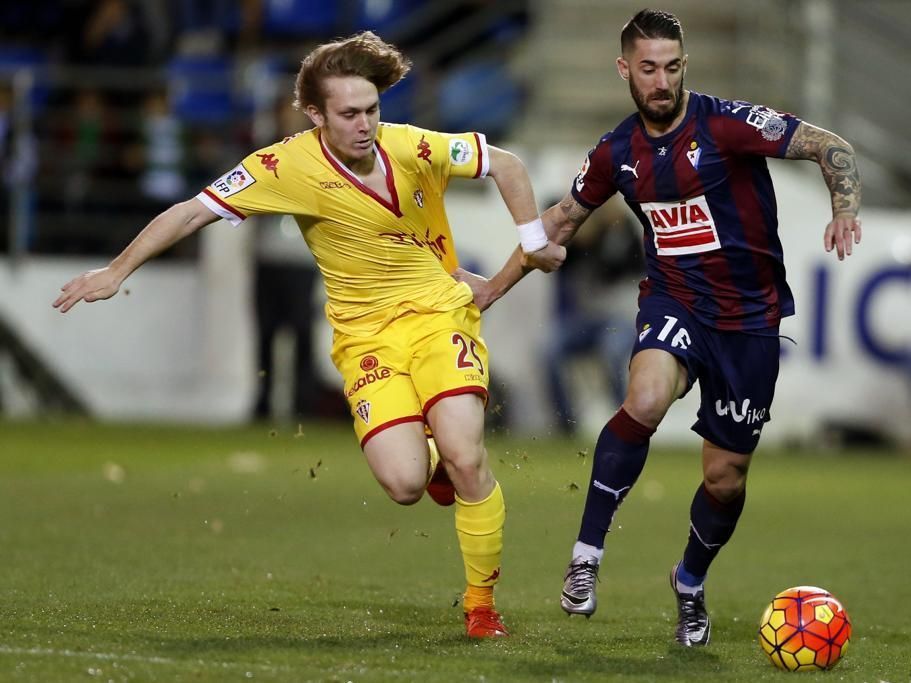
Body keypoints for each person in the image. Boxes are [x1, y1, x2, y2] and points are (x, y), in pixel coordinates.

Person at [53, 31, 565, 639]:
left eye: (372, 109)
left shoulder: (412, 145)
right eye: (349, 113)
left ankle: (481, 607)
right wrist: (116, 270)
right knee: (403, 484)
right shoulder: (284, 167)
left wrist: (531, 242)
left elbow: (506, 163)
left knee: (467, 451)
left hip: (438, 315)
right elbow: (192, 210)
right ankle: (431, 465)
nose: (366, 124)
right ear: (316, 114)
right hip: (365, 341)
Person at [454, 8, 861, 647]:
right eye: (647, 68)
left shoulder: (728, 124)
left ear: (684, 67)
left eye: (671, 67)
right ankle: (586, 556)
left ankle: (690, 582)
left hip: (750, 323)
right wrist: (493, 288)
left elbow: (830, 146)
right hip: (674, 303)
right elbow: (560, 222)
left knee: (725, 479)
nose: (661, 80)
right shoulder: (617, 151)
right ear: (625, 70)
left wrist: (844, 209)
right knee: (643, 400)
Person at [542, 197, 642, 434]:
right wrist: (578, 237)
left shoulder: (625, 229)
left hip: (618, 320)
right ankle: (567, 424)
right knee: (548, 351)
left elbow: (628, 267)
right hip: (583, 320)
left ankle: (625, 423)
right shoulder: (580, 234)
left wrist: (611, 230)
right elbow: (559, 266)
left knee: (612, 354)